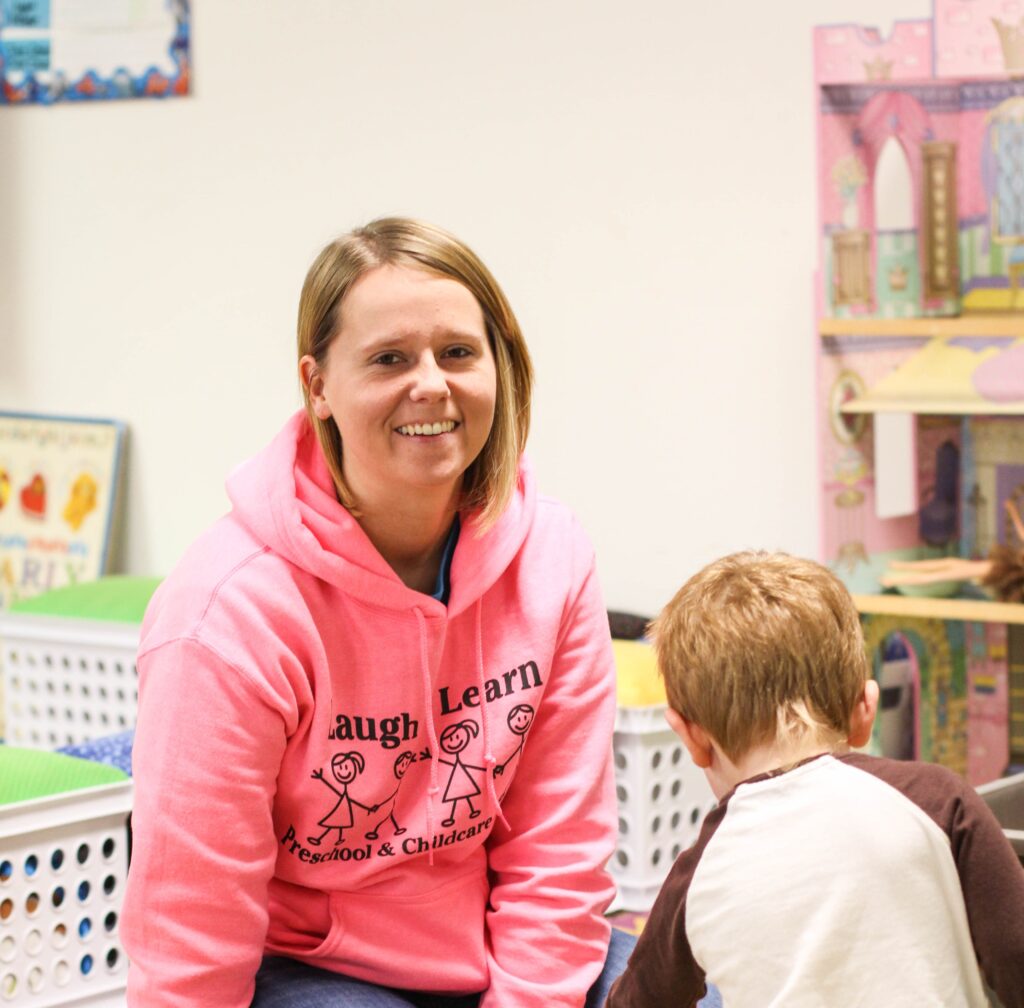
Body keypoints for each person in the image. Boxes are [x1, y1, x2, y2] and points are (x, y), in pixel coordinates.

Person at [120, 218, 632, 1007]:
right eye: (389, 358)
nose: (431, 383)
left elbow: (557, 852)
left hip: (498, 940)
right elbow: (190, 919)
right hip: (315, 969)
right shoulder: (226, 611)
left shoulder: (553, 556)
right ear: (318, 385)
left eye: (458, 352)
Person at [606, 551, 1024, 1008]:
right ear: (864, 711)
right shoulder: (937, 799)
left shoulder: (698, 872)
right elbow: (1016, 954)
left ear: (690, 738)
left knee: (606, 956)